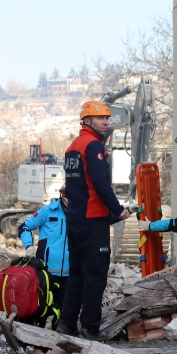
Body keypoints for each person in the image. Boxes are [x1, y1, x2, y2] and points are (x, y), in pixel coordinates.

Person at [56, 100, 132, 340]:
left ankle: (66, 323)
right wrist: (118, 210)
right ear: (86, 120)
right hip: (93, 223)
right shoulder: (93, 146)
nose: (106, 122)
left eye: (107, 118)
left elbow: (77, 186)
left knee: (76, 275)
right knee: (95, 277)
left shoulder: (72, 147)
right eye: (101, 118)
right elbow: (100, 184)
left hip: (75, 221)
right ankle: (90, 328)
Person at [19, 184, 69, 329]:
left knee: (63, 310)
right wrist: (29, 246)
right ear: (62, 196)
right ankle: (34, 338)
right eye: (67, 197)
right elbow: (25, 227)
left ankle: (57, 340)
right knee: (41, 307)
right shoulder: (47, 211)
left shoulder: (80, 213)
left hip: (70, 274)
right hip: (46, 272)